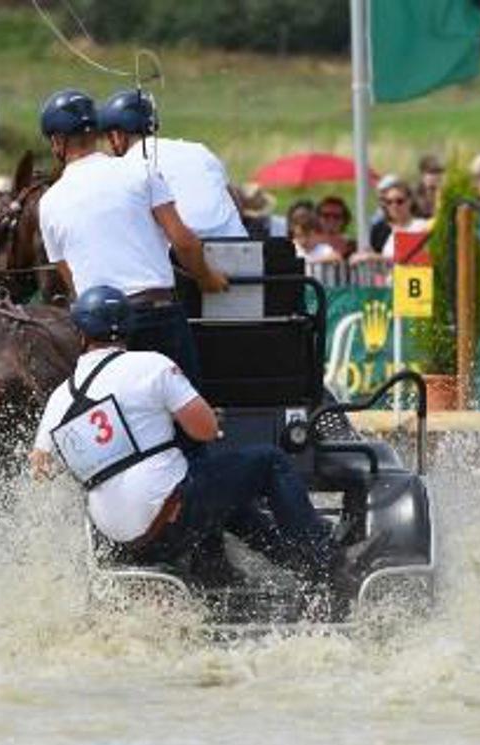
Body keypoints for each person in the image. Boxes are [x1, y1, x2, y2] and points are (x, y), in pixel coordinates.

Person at [29, 286, 345, 591]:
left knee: (228, 499)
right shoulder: (153, 365)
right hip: (171, 521)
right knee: (268, 461)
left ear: (81, 335)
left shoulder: (60, 398)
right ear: (129, 329)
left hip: (119, 541)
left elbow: (42, 470)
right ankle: (326, 568)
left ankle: (294, 565)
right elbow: (205, 430)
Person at [36, 88, 227, 387]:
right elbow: (184, 241)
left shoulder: (48, 203)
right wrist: (206, 278)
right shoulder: (140, 171)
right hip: (157, 317)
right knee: (186, 419)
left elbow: (72, 281)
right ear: (99, 133)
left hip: (102, 330)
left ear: (57, 142)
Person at [99, 89, 247, 239]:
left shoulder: (128, 167)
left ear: (116, 137)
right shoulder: (198, 150)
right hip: (241, 245)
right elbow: (236, 205)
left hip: (185, 255)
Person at [360, 178, 428, 263]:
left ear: (410, 201)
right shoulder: (386, 231)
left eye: (399, 201)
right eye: (389, 202)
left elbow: (407, 259)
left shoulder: (421, 226)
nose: (394, 206)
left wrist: (374, 257)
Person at [413, 154, 444, 219]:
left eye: (438, 172)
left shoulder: (444, 194)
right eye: (431, 173)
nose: (435, 177)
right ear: (422, 174)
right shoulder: (414, 195)